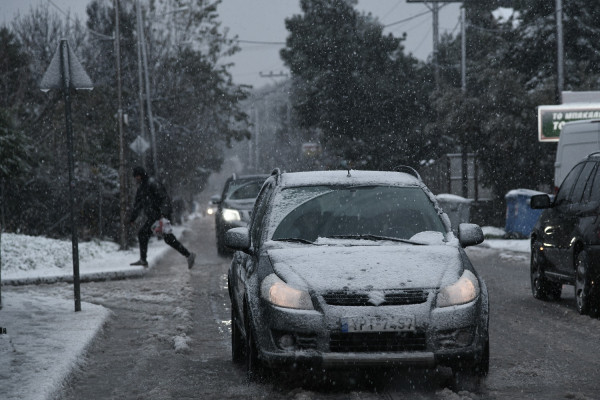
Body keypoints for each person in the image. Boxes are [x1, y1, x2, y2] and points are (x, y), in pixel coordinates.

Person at [129, 166, 196, 269]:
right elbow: (138, 205)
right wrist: (133, 218)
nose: (136, 179)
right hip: (154, 217)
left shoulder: (152, 184)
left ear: (140, 175)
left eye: (137, 176)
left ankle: (143, 260)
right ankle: (188, 255)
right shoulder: (142, 188)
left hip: (159, 217)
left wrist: (163, 213)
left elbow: (164, 198)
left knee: (147, 235)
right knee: (166, 238)